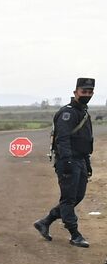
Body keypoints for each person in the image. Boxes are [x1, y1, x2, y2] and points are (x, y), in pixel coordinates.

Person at [33, 77, 94, 248]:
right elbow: (63, 139)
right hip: (69, 161)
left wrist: (87, 163)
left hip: (80, 160)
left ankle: (45, 221)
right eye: (84, 92)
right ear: (75, 92)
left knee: (77, 197)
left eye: (89, 92)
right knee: (68, 199)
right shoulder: (67, 113)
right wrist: (66, 162)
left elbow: (85, 140)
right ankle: (75, 234)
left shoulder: (84, 112)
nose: (87, 95)